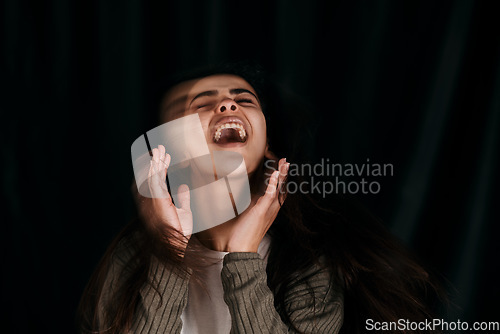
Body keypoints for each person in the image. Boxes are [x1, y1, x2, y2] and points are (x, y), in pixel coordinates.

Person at [78, 62, 444, 334]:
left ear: (268, 148)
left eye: (242, 98)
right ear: (167, 150)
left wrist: (243, 259)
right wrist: (170, 250)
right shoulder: (130, 261)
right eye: (202, 103)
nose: (227, 105)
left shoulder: (305, 264)